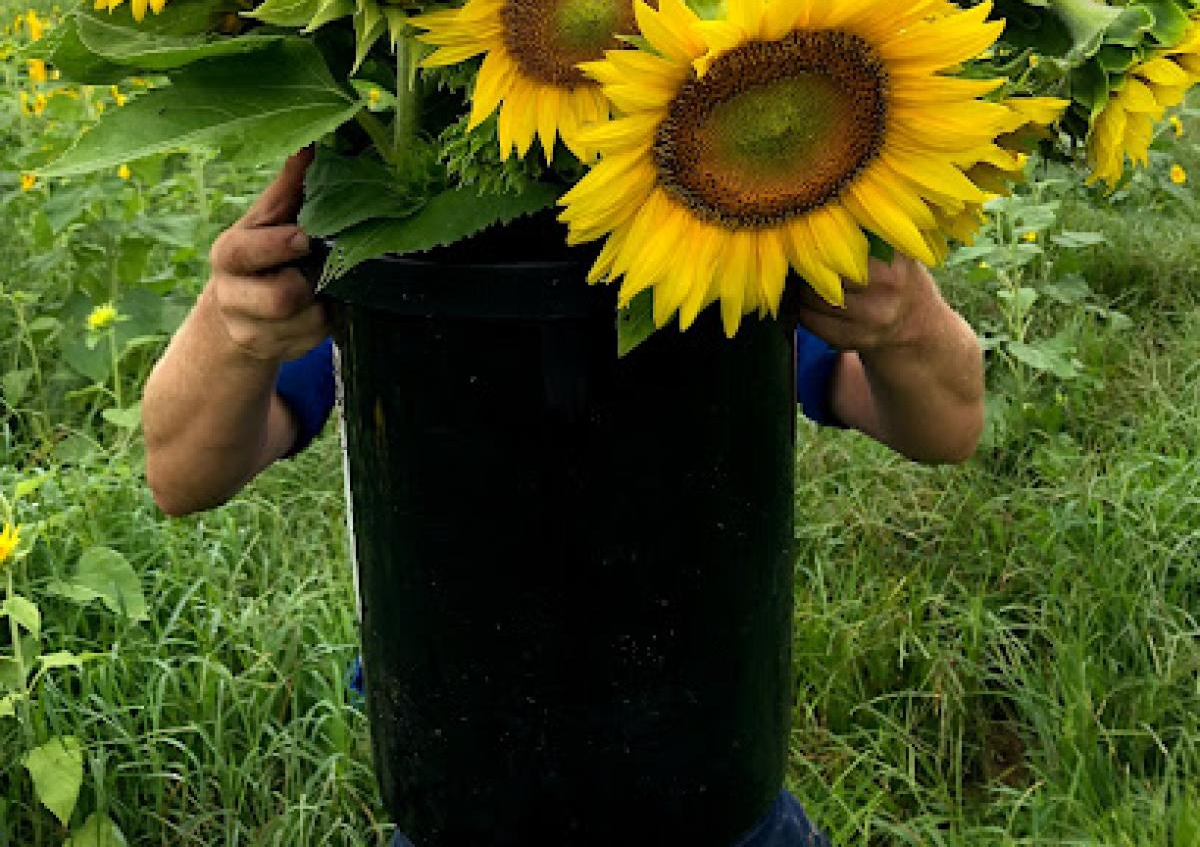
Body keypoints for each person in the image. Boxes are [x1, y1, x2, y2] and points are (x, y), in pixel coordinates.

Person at [141, 149, 986, 844]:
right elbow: (182, 475)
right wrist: (234, 323)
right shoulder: (386, 185)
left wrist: (904, 320)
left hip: (708, 743)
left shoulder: (719, 186)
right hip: (459, 757)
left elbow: (943, 425)